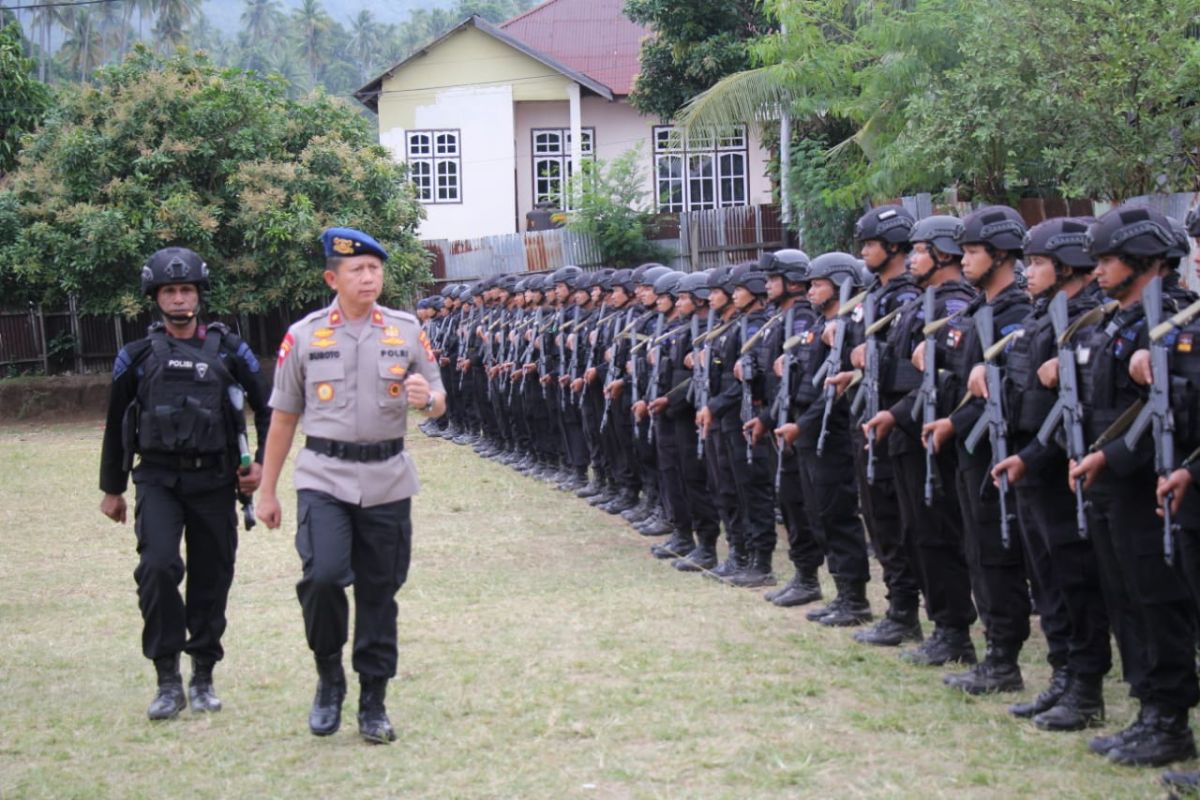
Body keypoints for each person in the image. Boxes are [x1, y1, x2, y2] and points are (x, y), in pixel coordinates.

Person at [256, 227, 446, 744]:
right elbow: (283, 417)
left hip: (387, 479)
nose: (369, 277)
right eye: (357, 270)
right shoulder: (305, 334)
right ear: (331, 278)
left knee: (379, 593)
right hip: (325, 476)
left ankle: (373, 700)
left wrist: (425, 397)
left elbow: (440, 400)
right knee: (323, 578)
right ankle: (328, 675)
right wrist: (267, 490)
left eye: (375, 269)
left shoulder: (407, 331)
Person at [98, 246, 271, 721]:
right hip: (156, 478)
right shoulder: (134, 357)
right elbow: (116, 424)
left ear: (198, 294)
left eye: (186, 289)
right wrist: (112, 489)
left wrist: (259, 466)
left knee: (212, 576)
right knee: (156, 569)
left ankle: (203, 675)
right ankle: (167, 678)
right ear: (156, 298)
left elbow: (270, 409)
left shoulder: (232, 351)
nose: (178, 299)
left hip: (216, 479)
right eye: (170, 291)